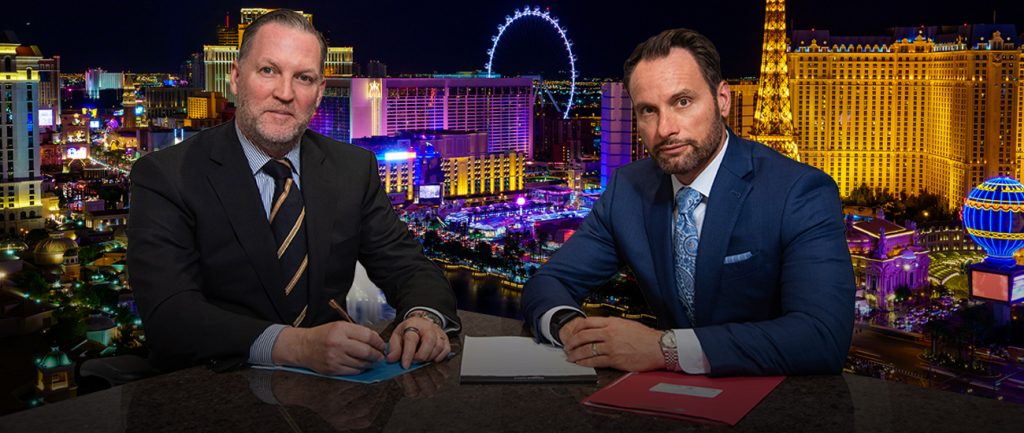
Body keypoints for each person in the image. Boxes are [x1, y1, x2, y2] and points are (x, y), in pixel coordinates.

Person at [128, 9, 459, 374]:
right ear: (236, 78)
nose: (285, 93)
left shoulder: (353, 168)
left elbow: (409, 268)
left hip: (334, 395)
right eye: (268, 70)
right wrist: (293, 345)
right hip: (212, 388)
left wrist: (422, 319)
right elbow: (170, 315)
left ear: (318, 94)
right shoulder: (165, 176)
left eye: (303, 78)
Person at [521, 28, 855, 376]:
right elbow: (547, 285)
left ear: (723, 100)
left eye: (682, 101)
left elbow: (822, 337)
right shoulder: (627, 190)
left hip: (776, 405)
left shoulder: (798, 191)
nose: (665, 128)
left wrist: (664, 349)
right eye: (648, 110)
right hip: (669, 406)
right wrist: (572, 328)